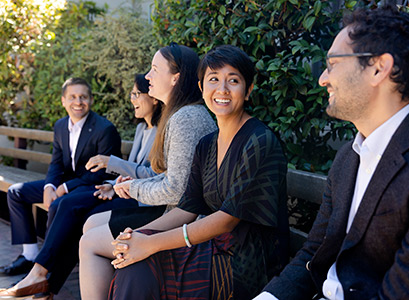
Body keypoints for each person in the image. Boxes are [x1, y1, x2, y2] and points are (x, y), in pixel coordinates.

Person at [254, 5, 409, 300]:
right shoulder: (349, 156)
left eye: (332, 63)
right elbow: (314, 252)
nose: (322, 78)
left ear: (377, 68)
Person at [105, 45, 289, 300]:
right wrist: (139, 236)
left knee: (142, 260)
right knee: (133, 260)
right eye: (214, 80)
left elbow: (227, 219)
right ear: (201, 88)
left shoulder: (259, 141)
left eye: (233, 81)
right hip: (212, 249)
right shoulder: (207, 144)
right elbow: (187, 207)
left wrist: (151, 243)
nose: (222, 90)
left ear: (248, 90)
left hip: (244, 265)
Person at [0, 75, 162, 299]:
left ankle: (42, 278)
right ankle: (36, 268)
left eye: (136, 94)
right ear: (63, 100)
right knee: (22, 193)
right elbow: (57, 163)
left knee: (68, 206)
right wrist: (50, 185)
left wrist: (102, 181)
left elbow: (121, 172)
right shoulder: (140, 129)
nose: (78, 102)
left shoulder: (107, 129)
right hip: (108, 188)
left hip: (105, 188)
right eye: (73, 97)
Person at [79, 43, 217, 299]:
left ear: (175, 78)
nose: (147, 77)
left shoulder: (186, 118)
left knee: (89, 243)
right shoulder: (180, 114)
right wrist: (132, 185)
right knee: (91, 224)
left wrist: (134, 188)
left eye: (154, 69)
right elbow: (175, 177)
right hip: (176, 212)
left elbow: (177, 189)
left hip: (185, 221)